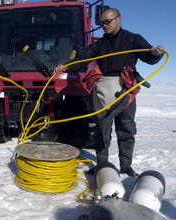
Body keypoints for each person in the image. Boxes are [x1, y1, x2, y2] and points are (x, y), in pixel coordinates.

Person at [55, 8, 164, 177]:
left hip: (125, 91)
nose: (103, 26)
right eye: (101, 23)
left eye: (107, 22)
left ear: (119, 19)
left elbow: (148, 55)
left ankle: (126, 167)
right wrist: (67, 66)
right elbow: (82, 60)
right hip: (103, 91)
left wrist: (155, 53)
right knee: (102, 132)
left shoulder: (132, 39)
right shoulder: (99, 45)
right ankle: (103, 165)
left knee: (126, 129)